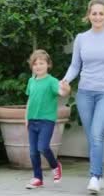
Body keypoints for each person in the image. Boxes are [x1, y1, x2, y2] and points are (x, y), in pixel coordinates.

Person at [60, 0, 104, 193]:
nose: (97, 17)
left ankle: (95, 177)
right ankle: (100, 176)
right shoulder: (81, 38)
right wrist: (65, 80)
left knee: (97, 133)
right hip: (85, 94)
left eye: (101, 13)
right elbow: (75, 66)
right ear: (88, 15)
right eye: (94, 13)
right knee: (92, 137)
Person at [24, 49, 71, 189]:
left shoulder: (52, 81)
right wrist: (26, 117)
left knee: (43, 147)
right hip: (32, 121)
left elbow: (62, 92)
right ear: (32, 66)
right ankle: (37, 178)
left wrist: (66, 89)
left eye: (41, 63)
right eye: (35, 64)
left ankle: (55, 166)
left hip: (46, 120)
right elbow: (30, 100)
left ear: (48, 65)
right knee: (33, 152)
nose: (38, 66)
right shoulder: (31, 81)